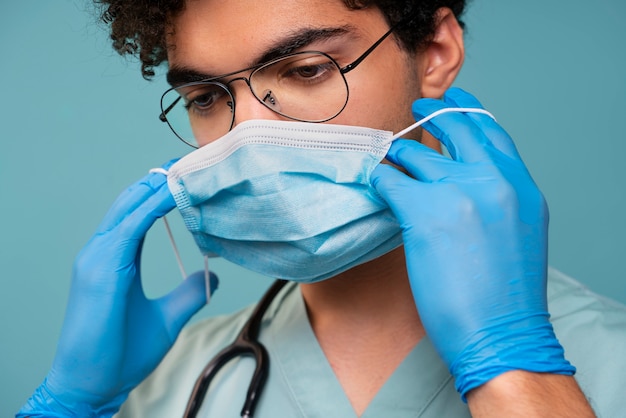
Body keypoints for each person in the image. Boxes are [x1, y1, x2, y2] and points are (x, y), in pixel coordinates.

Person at [17, 0, 626, 417]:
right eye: (207, 97)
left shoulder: (609, 359)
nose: (249, 136)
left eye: (307, 70)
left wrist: (514, 369)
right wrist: (68, 407)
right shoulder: (166, 386)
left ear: (435, 51)